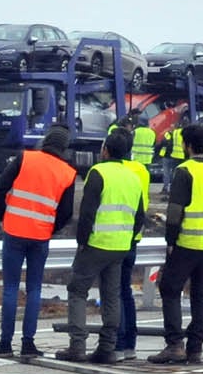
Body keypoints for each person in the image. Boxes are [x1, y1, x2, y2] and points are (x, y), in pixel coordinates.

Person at [60, 129, 146, 362]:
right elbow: (140, 216)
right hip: (120, 246)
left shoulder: (98, 172)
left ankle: (77, 345)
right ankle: (107, 347)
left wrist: (82, 241)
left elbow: (87, 212)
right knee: (112, 295)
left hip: (96, 244)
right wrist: (127, 239)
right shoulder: (133, 177)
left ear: (105, 150)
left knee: (77, 291)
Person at [0, 123, 77, 358]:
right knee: (34, 289)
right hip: (40, 235)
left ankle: (4, 343)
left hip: (14, 229)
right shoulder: (67, 172)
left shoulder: (24, 158)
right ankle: (28, 342)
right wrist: (51, 228)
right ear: (64, 147)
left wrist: (3, 216)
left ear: (46, 140)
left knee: (10, 288)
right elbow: (67, 212)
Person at [155, 126, 203, 364]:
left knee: (169, 287)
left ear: (187, 146)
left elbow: (175, 211)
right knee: (200, 294)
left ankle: (174, 344)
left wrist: (170, 239)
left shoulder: (184, 171)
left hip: (187, 240)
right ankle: (195, 347)